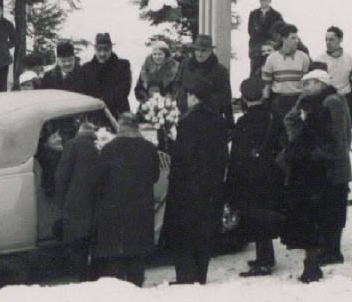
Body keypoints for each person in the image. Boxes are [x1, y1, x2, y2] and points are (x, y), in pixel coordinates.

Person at [166, 80, 230, 284]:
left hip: (187, 185)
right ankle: (200, 275)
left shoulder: (188, 122)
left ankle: (186, 276)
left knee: (184, 231)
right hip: (211, 185)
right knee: (204, 231)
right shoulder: (219, 121)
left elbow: (183, 156)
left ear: (193, 97)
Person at [287, 68, 352, 266]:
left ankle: (332, 251)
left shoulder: (332, 102)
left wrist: (320, 153)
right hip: (323, 163)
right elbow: (290, 120)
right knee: (327, 208)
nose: (304, 87)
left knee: (333, 208)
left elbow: (339, 135)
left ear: (320, 84)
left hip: (333, 164)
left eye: (308, 83)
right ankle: (328, 249)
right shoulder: (316, 101)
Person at [277, 85, 339, 284]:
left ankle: (310, 268)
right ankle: (313, 265)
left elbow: (293, 153)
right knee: (316, 225)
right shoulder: (324, 128)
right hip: (320, 185)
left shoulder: (308, 131)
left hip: (304, 186)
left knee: (307, 228)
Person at [91, 113, 160, 286]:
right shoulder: (150, 149)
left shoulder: (108, 149)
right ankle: (136, 286)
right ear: (136, 127)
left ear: (120, 127)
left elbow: (98, 179)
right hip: (141, 211)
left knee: (116, 262)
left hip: (114, 211)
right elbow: (155, 177)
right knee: (137, 258)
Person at [228, 77, 287, 277]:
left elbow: (236, 155)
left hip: (249, 176)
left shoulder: (243, 122)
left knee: (255, 217)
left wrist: (233, 180)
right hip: (270, 173)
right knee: (264, 214)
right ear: (263, 94)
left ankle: (264, 261)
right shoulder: (273, 117)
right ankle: (265, 256)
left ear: (244, 98)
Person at [53, 117, 104, 280]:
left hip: (76, 202)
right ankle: (93, 275)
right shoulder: (98, 147)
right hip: (95, 202)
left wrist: (61, 201)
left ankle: (82, 276)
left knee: (77, 242)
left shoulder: (72, 145)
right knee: (91, 241)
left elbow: (62, 175)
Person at [173, 33, 233, 121]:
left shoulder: (221, 71)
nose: (199, 54)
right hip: (185, 116)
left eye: (204, 51)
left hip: (210, 118)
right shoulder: (185, 64)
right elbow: (177, 86)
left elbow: (225, 98)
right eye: (197, 50)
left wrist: (202, 102)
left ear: (210, 51)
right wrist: (185, 101)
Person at [73, 32, 132, 118]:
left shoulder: (123, 66)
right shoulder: (86, 68)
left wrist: (102, 100)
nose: (102, 53)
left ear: (111, 48)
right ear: (95, 48)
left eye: (106, 49)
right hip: (94, 116)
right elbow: (83, 93)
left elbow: (123, 91)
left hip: (118, 114)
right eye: (99, 49)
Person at [262, 24, 311, 126]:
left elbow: (307, 84)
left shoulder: (304, 57)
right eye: (293, 38)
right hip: (278, 101)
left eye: (297, 38)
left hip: (297, 101)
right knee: (279, 130)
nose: (296, 41)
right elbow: (267, 85)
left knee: (296, 131)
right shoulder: (272, 59)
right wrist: (266, 105)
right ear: (284, 39)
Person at [319, 26, 352, 121]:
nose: (328, 42)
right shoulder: (320, 60)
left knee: (345, 127)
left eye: (331, 39)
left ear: (340, 39)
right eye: (326, 39)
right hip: (327, 100)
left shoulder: (350, 59)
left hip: (345, 99)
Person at [247, 0, 285, 77]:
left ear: (270, 0)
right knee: (255, 73)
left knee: (270, 71)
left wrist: (271, 43)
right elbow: (250, 30)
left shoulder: (276, 15)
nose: (263, 1)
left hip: (270, 48)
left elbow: (280, 31)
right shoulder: (253, 14)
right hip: (256, 49)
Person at [134, 39, 180, 104]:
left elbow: (177, 88)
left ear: (166, 55)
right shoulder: (146, 67)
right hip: (147, 103)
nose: (157, 57)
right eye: (154, 54)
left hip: (168, 104)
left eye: (160, 54)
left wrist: (169, 98)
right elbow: (139, 88)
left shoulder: (174, 67)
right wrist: (145, 98)